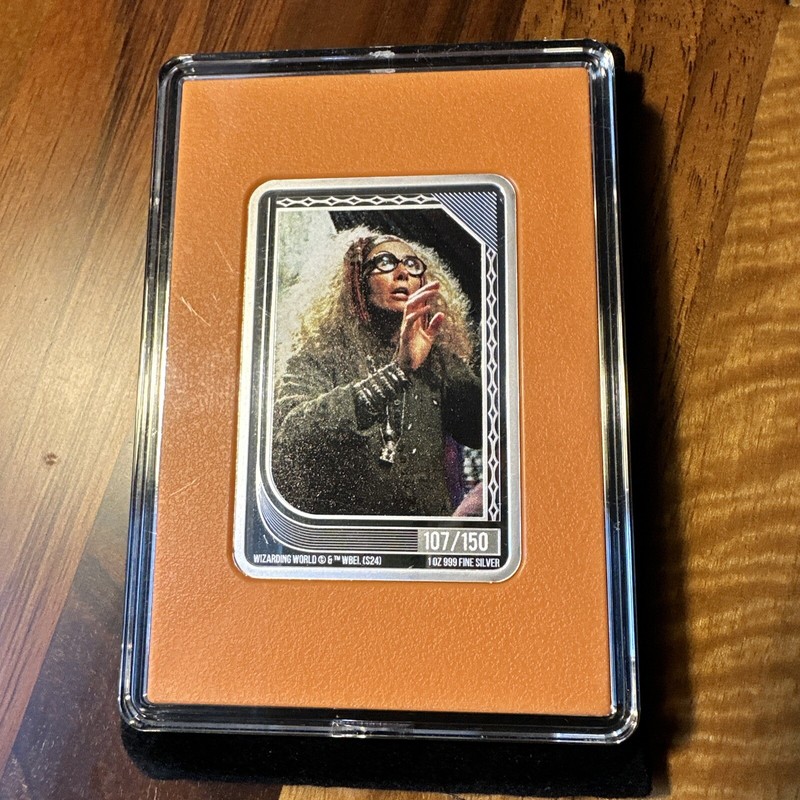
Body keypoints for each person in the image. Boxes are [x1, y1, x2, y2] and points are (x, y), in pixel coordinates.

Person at [271, 229, 482, 516]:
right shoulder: (320, 355)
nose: (402, 273)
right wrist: (397, 372)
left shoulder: (438, 362)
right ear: (357, 282)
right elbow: (291, 434)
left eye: (412, 264)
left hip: (423, 539)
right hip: (345, 537)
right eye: (385, 262)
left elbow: (492, 430)